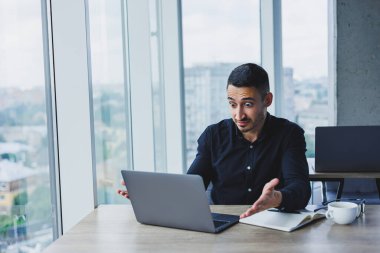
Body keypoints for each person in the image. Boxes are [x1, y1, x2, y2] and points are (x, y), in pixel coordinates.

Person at [118, 63, 311, 218]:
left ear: (267, 100)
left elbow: (300, 189)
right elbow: (191, 187)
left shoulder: (289, 134)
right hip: (221, 224)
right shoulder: (213, 136)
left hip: (271, 222)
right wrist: (153, 199)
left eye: (248, 105)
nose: (239, 114)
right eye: (232, 104)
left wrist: (277, 198)